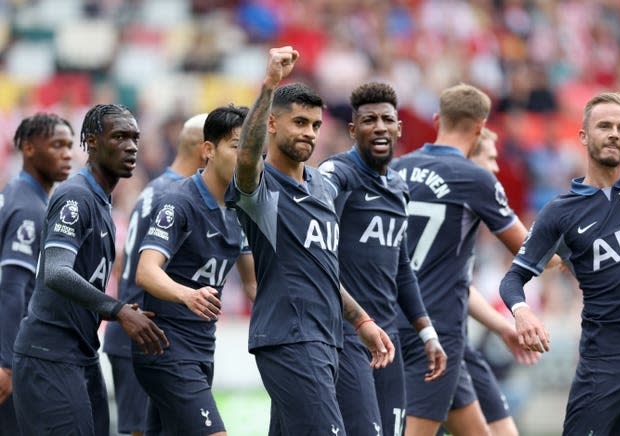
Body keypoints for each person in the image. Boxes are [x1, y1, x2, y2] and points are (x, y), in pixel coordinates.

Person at [225, 46, 395, 435]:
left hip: (327, 337)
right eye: (299, 122)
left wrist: (361, 320)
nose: (309, 133)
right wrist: (269, 84)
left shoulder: (321, 186)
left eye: (315, 125)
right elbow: (247, 157)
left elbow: (323, 271)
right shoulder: (261, 189)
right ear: (271, 124)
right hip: (289, 338)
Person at [11, 103, 169, 436]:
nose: (131, 146)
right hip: (50, 355)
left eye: (135, 138)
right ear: (92, 142)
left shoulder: (100, 202)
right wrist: (118, 310)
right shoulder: (75, 197)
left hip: (80, 353)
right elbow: (56, 271)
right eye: (119, 137)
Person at [390, 83, 530, 436]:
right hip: (437, 331)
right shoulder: (473, 178)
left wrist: (500, 327)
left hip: (391, 318)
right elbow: (528, 251)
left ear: (438, 119)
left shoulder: (396, 169)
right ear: (481, 127)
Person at [499, 91, 620, 434]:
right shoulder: (560, 213)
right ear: (582, 136)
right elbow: (512, 279)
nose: (614, 133)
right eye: (604, 125)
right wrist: (523, 311)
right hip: (605, 362)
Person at [318, 81, 447, 436]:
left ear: (398, 128)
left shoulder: (398, 187)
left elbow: (402, 268)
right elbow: (314, 204)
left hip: (388, 338)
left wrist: (427, 333)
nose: (379, 127)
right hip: (345, 333)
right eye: (369, 119)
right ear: (352, 129)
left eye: (387, 119)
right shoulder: (339, 174)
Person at [133, 104, 255, 436]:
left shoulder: (239, 208)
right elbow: (146, 270)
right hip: (167, 346)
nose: (246, 157)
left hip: (202, 345)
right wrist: (188, 294)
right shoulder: (178, 202)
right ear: (208, 150)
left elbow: (254, 284)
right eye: (236, 146)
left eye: (252, 149)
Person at [102, 112, 208, 436]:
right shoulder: (176, 196)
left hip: (140, 328)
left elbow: (123, 260)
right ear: (207, 150)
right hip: (143, 329)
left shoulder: (158, 188)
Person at [443, 127, 540, 436]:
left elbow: (456, 282)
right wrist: (565, 247)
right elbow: (529, 249)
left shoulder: (463, 218)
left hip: (459, 345)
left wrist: (502, 328)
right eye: (491, 159)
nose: (497, 168)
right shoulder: (455, 212)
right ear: (469, 159)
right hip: (433, 341)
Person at [0, 113, 74, 434]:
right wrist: (5, 363)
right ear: (29, 149)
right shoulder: (28, 208)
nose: (67, 153)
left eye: (70, 145)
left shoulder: (17, 194)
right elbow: (12, 288)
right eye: (57, 145)